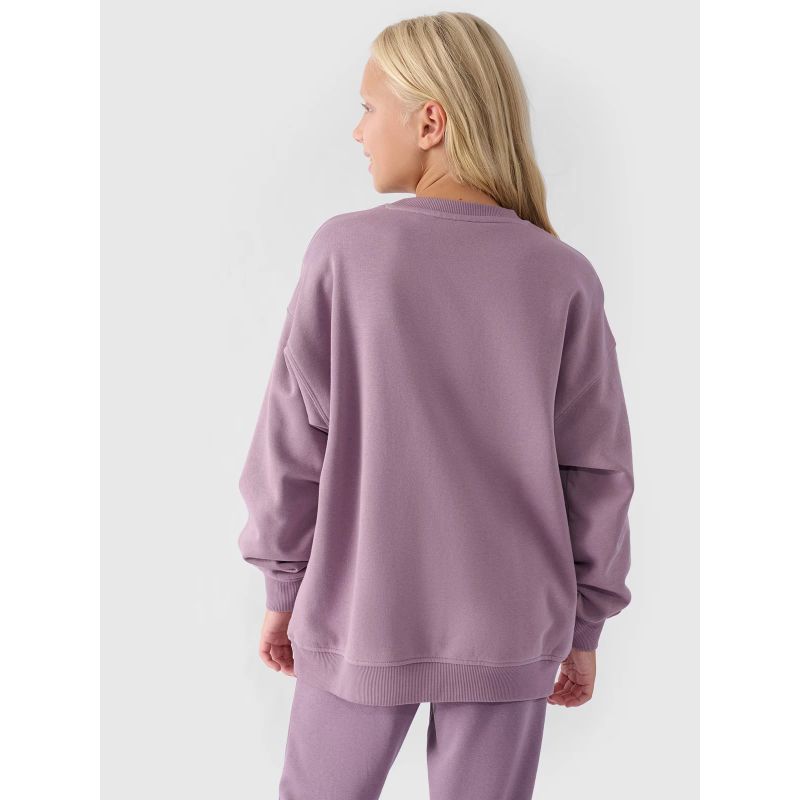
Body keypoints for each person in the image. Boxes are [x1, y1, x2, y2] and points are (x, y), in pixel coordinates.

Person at [237, 11, 634, 800]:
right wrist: (585, 623)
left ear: (430, 121)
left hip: (361, 612)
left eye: (368, 108)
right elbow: (596, 469)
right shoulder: (562, 275)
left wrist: (283, 587)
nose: (358, 131)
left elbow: (291, 441)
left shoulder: (347, 252)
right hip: (513, 624)